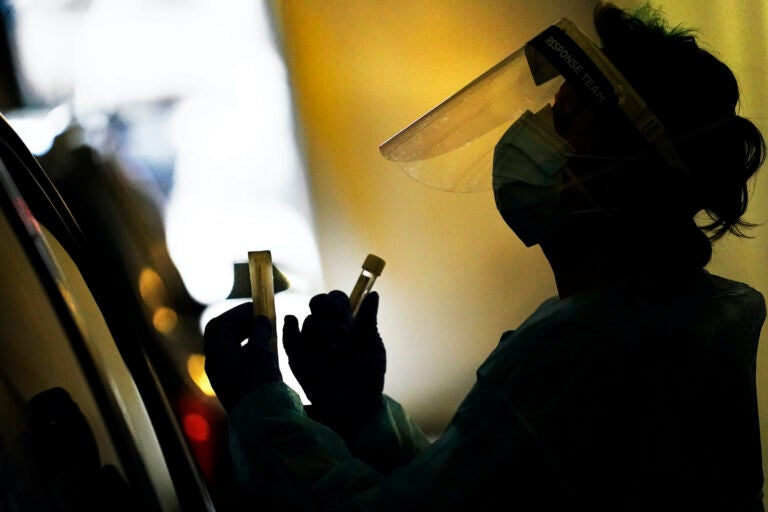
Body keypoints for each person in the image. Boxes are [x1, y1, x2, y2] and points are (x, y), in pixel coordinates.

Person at [203, 3, 766, 510]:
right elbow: (473, 491)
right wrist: (362, 416)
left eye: (564, 123)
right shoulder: (662, 324)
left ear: (630, 182)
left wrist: (260, 409)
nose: (533, 135)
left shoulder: (590, 351)